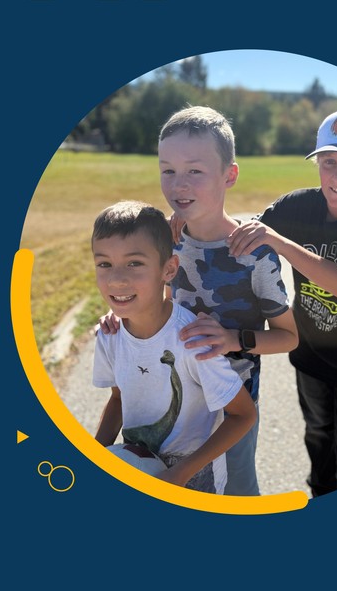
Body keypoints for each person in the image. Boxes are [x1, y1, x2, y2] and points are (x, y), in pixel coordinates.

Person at [100, 106, 299, 496]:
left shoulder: (254, 253)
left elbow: (289, 337)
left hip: (229, 413)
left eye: (194, 170)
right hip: (166, 398)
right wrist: (121, 309)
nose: (179, 185)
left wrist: (231, 339)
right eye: (168, 170)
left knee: (235, 499)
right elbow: (156, 296)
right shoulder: (165, 237)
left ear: (230, 175)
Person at [227, 106, 337, 497]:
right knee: (318, 433)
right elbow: (243, 235)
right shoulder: (298, 206)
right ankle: (321, 493)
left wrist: (278, 241)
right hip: (310, 353)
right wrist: (186, 222)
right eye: (328, 162)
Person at [91, 200, 257, 494]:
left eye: (134, 263)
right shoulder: (109, 335)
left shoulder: (192, 340)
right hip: (136, 471)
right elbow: (118, 399)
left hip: (193, 482)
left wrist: (179, 475)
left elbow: (244, 415)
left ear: (168, 270)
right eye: (104, 264)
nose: (117, 279)